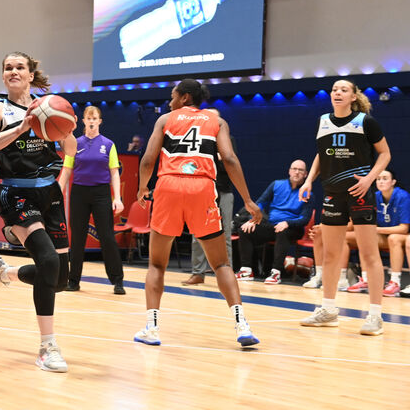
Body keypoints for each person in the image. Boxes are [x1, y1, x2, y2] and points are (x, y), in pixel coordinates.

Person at [133, 79, 262, 348]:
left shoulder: (166, 120)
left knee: (157, 264)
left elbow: (147, 159)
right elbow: (229, 159)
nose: (169, 101)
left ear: (184, 97)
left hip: (168, 185)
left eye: (172, 96)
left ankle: (152, 328)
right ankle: (242, 325)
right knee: (222, 264)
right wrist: (248, 200)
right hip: (202, 187)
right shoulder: (218, 122)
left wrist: (144, 187)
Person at [0, 50, 77, 373]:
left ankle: (2, 272)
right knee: (47, 261)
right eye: (8, 67)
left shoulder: (48, 106)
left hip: (50, 192)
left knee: (60, 278)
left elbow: (71, 144)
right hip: (16, 192)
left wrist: (62, 179)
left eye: (20, 67)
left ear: (31, 75)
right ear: (3, 75)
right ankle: (47, 347)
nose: (14, 71)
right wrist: (21, 128)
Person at [298, 79, 390, 336]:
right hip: (332, 194)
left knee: (368, 254)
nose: (337, 92)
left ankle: (375, 316)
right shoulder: (323, 121)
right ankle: (328, 310)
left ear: (352, 97)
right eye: (334, 89)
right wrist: (308, 180)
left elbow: (385, 154)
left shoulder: (365, 122)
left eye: (343, 90)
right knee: (329, 254)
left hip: (359, 193)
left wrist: (370, 179)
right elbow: (321, 154)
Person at [57, 106, 125, 294]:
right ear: (84, 121)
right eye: (89, 118)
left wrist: (117, 198)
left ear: (100, 121)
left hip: (101, 193)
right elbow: (67, 170)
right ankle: (73, 280)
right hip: (79, 193)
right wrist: (58, 192)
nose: (92, 120)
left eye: (95, 118)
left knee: (107, 237)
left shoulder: (109, 144)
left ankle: (117, 280)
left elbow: (114, 173)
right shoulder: (75, 143)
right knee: (77, 238)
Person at [235, 160, 314, 285]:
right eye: (294, 169)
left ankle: (276, 273)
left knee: (283, 231)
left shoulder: (307, 193)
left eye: (301, 170)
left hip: (293, 228)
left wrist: (287, 223)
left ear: (306, 174)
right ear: (289, 171)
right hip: (272, 225)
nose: (297, 172)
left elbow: (305, 219)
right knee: (245, 229)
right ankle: (246, 270)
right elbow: (260, 203)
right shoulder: (276, 185)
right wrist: (253, 219)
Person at [337, 169, 410, 296]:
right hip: (384, 236)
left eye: (385, 178)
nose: (381, 181)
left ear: (393, 182)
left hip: (401, 236)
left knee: (393, 238)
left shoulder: (402, 196)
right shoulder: (374, 196)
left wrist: (376, 230)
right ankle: (359, 279)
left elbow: (403, 228)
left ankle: (395, 282)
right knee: (360, 236)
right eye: (378, 179)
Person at [183, 107, 235, 286]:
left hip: (224, 191)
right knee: (197, 234)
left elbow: (228, 164)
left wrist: (214, 160)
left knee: (225, 234)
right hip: (201, 192)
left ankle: (227, 273)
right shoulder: (198, 141)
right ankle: (197, 273)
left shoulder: (229, 140)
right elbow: (192, 165)